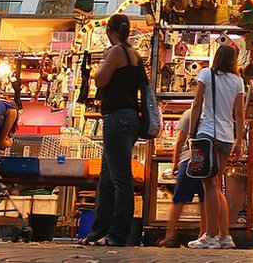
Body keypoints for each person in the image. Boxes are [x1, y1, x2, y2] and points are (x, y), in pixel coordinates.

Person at [80, 14, 141, 247]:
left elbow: (100, 80)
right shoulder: (133, 54)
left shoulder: (116, 52)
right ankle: (98, 232)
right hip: (126, 118)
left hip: (118, 118)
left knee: (120, 179)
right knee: (107, 179)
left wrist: (103, 63)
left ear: (110, 31)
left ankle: (116, 235)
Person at [187, 45, 244, 250]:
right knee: (217, 185)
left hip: (206, 135)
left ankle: (210, 235)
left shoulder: (205, 74)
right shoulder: (238, 81)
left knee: (209, 185)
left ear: (216, 57)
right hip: (226, 137)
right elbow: (239, 114)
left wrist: (191, 133)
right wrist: (240, 139)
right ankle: (224, 236)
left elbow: (197, 104)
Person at [155, 106, 206, 247]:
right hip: (206, 160)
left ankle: (170, 235)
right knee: (205, 199)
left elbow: (180, 140)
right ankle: (203, 234)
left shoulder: (189, 113)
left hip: (188, 159)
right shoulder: (211, 115)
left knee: (178, 198)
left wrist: (175, 163)